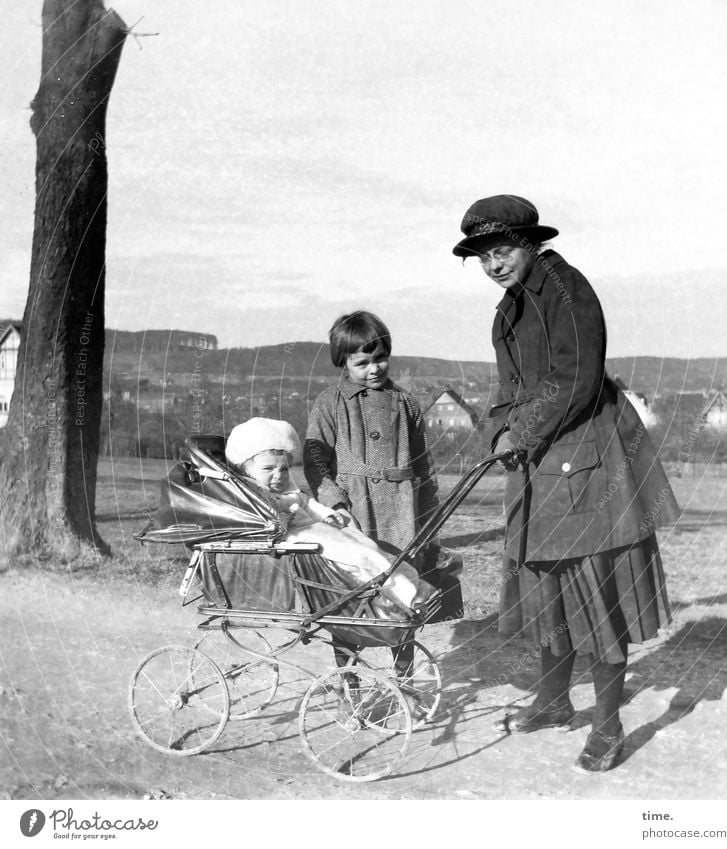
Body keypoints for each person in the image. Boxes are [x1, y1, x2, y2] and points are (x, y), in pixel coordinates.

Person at [452, 195, 680, 773]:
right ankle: (554, 701)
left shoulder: (565, 287)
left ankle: (607, 724)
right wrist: (501, 430)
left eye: (502, 250)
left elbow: (576, 378)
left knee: (594, 586)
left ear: (530, 243)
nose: (494, 263)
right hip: (538, 457)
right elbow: (507, 386)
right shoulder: (508, 309)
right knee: (543, 582)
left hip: (586, 455)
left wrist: (521, 433)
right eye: (482, 255)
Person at [303, 310, 440, 673]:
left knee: (402, 591)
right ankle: (350, 681)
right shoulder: (329, 404)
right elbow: (315, 460)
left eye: (380, 358)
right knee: (349, 596)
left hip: (401, 512)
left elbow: (424, 465)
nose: (374, 369)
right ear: (343, 362)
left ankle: (404, 676)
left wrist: (429, 515)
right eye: (362, 362)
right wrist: (335, 503)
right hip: (354, 513)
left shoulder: (406, 402)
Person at [224, 416, 421, 612]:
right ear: (246, 470)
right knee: (360, 556)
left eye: (284, 469)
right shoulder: (256, 497)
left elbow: (308, 504)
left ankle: (407, 587)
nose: (278, 475)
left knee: (366, 544)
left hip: (319, 531)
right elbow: (262, 518)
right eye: (268, 469)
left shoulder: (290, 493)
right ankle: (404, 595)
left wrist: (326, 515)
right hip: (298, 538)